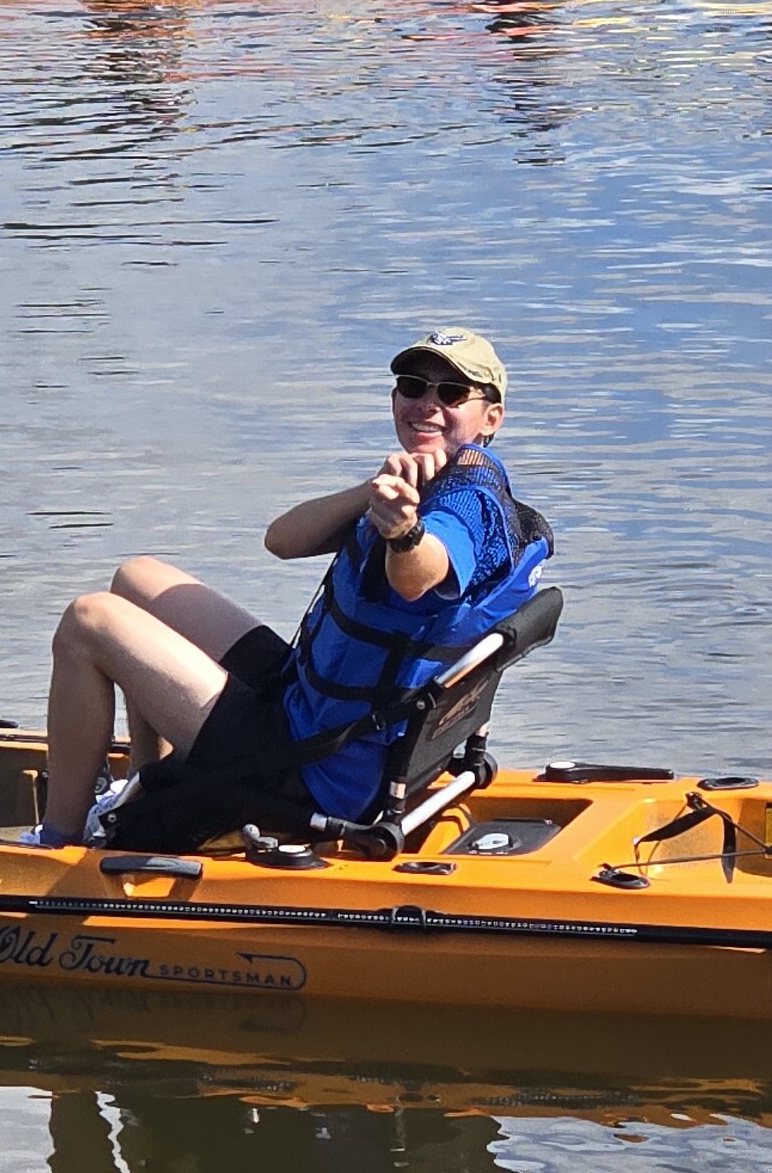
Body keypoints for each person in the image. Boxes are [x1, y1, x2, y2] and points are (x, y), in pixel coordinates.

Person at [34, 330, 550, 849]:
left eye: (452, 394)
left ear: (491, 418)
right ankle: (148, 789)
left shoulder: (466, 505)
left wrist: (403, 532)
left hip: (313, 765)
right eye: (413, 387)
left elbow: (419, 576)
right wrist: (373, 491)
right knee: (137, 578)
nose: (427, 405)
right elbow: (280, 540)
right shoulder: (423, 482)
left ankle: (55, 842)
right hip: (306, 704)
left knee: (90, 622)